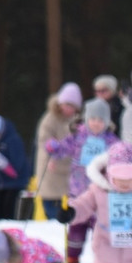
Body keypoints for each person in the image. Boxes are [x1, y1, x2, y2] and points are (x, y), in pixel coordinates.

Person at [53, 97, 118, 263]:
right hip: (77, 190)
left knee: (100, 229)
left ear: (107, 122)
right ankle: (73, 258)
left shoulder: (111, 141)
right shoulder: (77, 136)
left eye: (101, 120)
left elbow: (119, 156)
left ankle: (103, 260)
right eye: (93, 119)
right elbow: (63, 148)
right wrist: (54, 149)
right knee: (76, 227)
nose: (96, 123)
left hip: (100, 192)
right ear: (86, 119)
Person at [33, 83, 82, 223]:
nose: (68, 108)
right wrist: (51, 153)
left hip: (69, 168)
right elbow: (43, 140)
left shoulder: (77, 121)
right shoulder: (49, 119)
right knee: (51, 202)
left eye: (71, 106)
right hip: (51, 168)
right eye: (66, 104)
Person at [0, 112, 30, 220]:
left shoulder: (13, 140)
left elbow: (17, 163)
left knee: (8, 211)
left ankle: (9, 229)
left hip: (14, 183)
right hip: (0, 183)